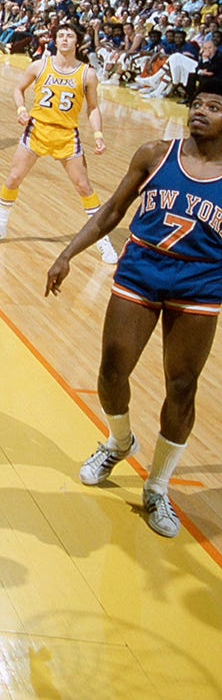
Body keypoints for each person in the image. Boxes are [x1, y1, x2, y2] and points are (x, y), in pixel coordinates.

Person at [45, 76, 222, 539]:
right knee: (111, 371)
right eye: (197, 103)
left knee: (182, 387)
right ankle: (119, 442)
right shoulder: (154, 153)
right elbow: (110, 211)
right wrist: (67, 253)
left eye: (214, 106)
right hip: (141, 269)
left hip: (200, 285)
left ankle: (158, 486)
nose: (200, 110)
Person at [0, 22, 117, 264]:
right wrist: (21, 108)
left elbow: (93, 107)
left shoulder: (87, 73)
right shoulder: (39, 65)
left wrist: (98, 135)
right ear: (55, 40)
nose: (64, 39)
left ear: (78, 41)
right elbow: (18, 88)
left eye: (69, 36)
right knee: (13, 178)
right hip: (37, 130)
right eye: (61, 35)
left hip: (66, 135)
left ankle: (102, 241)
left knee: (84, 187)